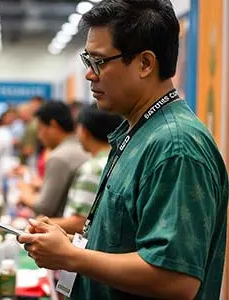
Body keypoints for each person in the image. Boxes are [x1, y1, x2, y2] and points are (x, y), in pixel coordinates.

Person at [19, 1, 229, 299]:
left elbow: (177, 279)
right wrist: (70, 244)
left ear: (145, 64)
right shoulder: (140, 131)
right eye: (87, 61)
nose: (89, 75)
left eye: (99, 62)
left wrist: (72, 257)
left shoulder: (175, 146)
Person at [49, 103, 122, 234]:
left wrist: (43, 222)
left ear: (84, 131)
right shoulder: (120, 159)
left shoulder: (92, 169)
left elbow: (80, 221)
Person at [18, 102, 89, 217]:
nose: (39, 136)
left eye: (40, 129)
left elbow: (44, 207)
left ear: (53, 125)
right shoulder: (81, 147)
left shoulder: (59, 156)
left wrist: (25, 192)